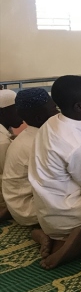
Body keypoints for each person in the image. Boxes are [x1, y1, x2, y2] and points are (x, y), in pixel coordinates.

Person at [28, 75, 81, 269]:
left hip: (46, 211)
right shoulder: (76, 144)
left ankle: (57, 240)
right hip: (69, 214)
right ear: (79, 107)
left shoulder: (52, 122)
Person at [2, 89, 59, 251]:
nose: (57, 113)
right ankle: (52, 234)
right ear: (39, 118)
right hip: (28, 208)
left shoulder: (29, 135)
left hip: (17, 204)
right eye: (53, 109)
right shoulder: (39, 143)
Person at [0, 89, 23, 221]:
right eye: (17, 109)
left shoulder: (6, 131)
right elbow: (6, 176)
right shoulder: (2, 142)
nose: (22, 114)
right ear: (3, 112)